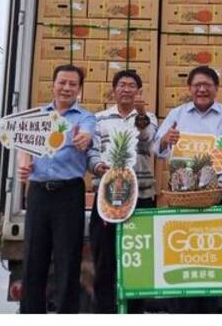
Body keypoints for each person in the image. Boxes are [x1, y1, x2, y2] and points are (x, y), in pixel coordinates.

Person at [152, 65, 222, 313]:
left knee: (211, 255)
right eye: (197, 85)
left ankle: (210, 310)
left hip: (214, 193)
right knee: (183, 252)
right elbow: (157, 148)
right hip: (181, 193)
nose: (202, 89)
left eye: (207, 85)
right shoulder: (177, 114)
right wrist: (166, 140)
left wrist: (221, 181)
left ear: (216, 88)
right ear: (189, 88)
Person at [17, 64, 95, 314]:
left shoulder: (85, 118)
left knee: (68, 261)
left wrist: (83, 139)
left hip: (68, 194)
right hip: (38, 193)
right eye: (62, 82)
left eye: (73, 84)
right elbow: (24, 146)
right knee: (33, 259)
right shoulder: (37, 117)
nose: (66, 88)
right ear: (53, 85)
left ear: (79, 89)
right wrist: (24, 165)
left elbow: (87, 136)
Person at [86, 69, 158, 313]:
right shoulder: (99, 119)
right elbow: (92, 151)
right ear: (114, 90)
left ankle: (135, 311)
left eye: (131, 85)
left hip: (142, 195)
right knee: (104, 257)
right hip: (107, 195)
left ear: (139, 91)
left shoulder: (149, 117)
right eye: (122, 85)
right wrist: (97, 166)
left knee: (139, 258)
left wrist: (141, 115)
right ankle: (104, 311)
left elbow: (148, 141)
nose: (126, 89)